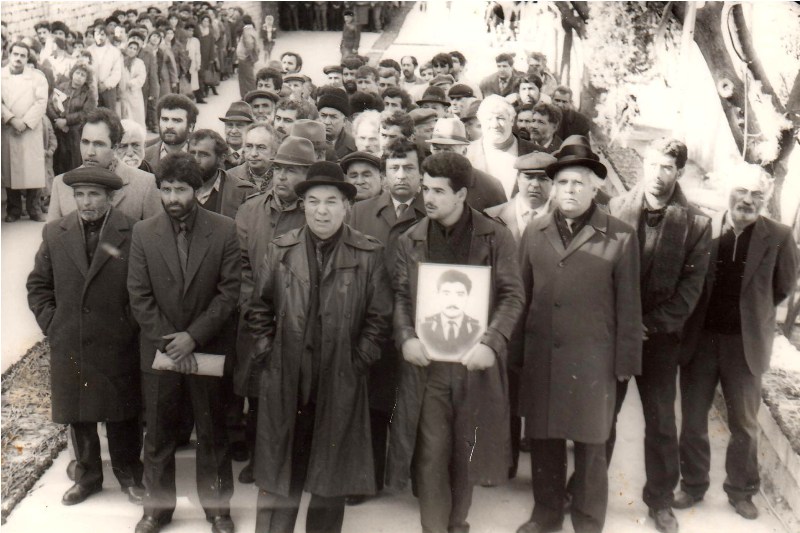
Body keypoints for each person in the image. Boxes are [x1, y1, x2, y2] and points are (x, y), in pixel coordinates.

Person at [247, 161, 392, 533]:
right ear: (303, 205)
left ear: (346, 206)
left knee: (330, 483)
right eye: (313, 201)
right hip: (287, 380)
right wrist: (269, 353)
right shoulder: (281, 249)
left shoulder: (368, 253)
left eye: (331, 201)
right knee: (279, 478)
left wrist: (358, 361)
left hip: (340, 380)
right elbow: (258, 308)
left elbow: (379, 319)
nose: (321, 211)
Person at [387, 151, 524, 533]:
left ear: (461, 194)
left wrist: (491, 343)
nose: (427, 197)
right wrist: (406, 338)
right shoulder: (411, 239)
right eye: (425, 188)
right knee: (431, 455)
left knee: (466, 453)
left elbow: (513, 295)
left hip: (474, 366)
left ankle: (456, 523)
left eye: (438, 191)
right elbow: (401, 297)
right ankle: (434, 529)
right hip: (428, 370)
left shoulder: (495, 236)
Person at [516, 136, 642, 533]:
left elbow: (629, 306)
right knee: (544, 439)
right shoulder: (534, 231)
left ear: (594, 188)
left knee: (591, 445)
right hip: (542, 356)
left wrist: (624, 364)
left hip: (593, 362)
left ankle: (588, 520)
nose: (569, 190)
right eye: (563, 182)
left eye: (578, 183)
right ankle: (546, 513)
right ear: (553, 187)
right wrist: (515, 358)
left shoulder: (620, 236)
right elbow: (519, 297)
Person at [599, 139, 712, 533]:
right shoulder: (614, 209)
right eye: (652, 165)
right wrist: (622, 323)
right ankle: (585, 488)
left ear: (679, 172)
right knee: (601, 415)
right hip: (615, 332)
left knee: (662, 422)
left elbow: (689, 293)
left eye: (667, 167)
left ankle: (661, 501)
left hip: (660, 340)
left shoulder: (697, 224)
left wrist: (647, 325)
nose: (657, 174)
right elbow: (600, 273)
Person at [676, 163, 798, 521]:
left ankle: (741, 491)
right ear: (727, 191)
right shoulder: (703, 227)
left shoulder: (779, 236)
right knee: (693, 420)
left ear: (766, 199)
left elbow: (783, 287)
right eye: (741, 191)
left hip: (744, 346)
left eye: (757, 194)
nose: (747, 199)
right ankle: (692, 485)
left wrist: (751, 316)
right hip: (700, 341)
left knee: (744, 424)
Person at [128, 152, 239, 533]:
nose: (173, 198)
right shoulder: (144, 233)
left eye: (181, 190)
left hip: (206, 348)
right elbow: (139, 295)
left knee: (212, 430)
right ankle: (156, 509)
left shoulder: (224, 230)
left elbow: (229, 291)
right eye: (166, 189)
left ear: (198, 190)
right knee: (158, 433)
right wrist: (170, 342)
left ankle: (218, 509)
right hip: (160, 352)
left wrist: (194, 337)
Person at [27, 167, 145, 507]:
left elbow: (143, 288)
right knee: (79, 413)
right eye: (79, 195)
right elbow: (38, 285)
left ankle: (129, 474)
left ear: (111, 198)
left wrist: (128, 325)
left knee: (122, 412)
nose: (86, 202)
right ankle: (88, 476)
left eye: (94, 194)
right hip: (71, 340)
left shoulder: (133, 231)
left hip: (117, 339)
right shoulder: (55, 232)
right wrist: (54, 324)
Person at [233, 136, 314, 485]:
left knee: (298, 394)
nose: (282, 177)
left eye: (292, 171)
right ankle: (258, 459)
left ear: (308, 176)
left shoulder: (313, 212)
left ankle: (296, 462)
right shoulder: (250, 210)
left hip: (300, 320)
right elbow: (240, 266)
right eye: (279, 168)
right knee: (258, 393)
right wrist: (254, 310)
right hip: (256, 320)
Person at [48, 108, 161, 222]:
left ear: (115, 147)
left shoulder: (145, 184)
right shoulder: (61, 185)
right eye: (85, 142)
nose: (90, 152)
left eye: (98, 144)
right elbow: (52, 232)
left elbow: (155, 232)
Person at [2, 42, 49, 222]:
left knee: (32, 169)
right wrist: (11, 119)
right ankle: (13, 210)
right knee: (10, 170)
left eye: (22, 55)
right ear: (9, 54)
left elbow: (41, 101)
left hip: (30, 129)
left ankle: (33, 209)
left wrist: (26, 122)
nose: (18, 58)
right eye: (15, 54)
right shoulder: (1, 76)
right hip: (9, 127)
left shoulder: (37, 77)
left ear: (27, 58)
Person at [426, 117, 507, 212]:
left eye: (448, 150)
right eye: (436, 149)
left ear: (464, 151)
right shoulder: (423, 183)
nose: (441, 155)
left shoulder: (490, 186)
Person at [466, 95, 539, 199]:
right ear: (481, 121)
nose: (495, 125)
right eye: (489, 119)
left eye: (500, 118)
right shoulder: (467, 153)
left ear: (512, 120)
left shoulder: (535, 153)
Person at [485, 151, 556, 241]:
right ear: (518, 178)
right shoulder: (492, 216)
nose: (535, 184)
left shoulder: (566, 217)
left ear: (552, 182)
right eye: (529, 177)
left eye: (543, 178)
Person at [188, 129, 255, 219]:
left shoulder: (244, 192)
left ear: (221, 158)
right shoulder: (175, 186)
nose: (196, 160)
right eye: (192, 153)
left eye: (203, 155)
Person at [419, 269, 484, 358]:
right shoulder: (423, 328)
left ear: (467, 297)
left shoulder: (478, 329)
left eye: (460, 294)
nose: (452, 301)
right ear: (438, 295)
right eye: (446, 293)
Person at [48, 62, 96, 176]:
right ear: (72, 73)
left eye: (83, 75)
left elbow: (86, 113)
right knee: (58, 160)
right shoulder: (61, 87)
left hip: (76, 131)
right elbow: (50, 104)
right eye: (77, 73)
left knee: (73, 161)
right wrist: (58, 121)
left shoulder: (88, 93)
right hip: (58, 129)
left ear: (86, 79)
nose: (79, 77)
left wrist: (67, 121)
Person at [145, 94, 198, 170]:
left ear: (191, 127)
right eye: (165, 119)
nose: (169, 126)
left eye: (177, 121)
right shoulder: (144, 155)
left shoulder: (200, 156)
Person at [227, 123, 280, 193]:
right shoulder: (229, 177)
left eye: (261, 147)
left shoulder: (282, 178)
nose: (253, 154)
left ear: (274, 152)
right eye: (249, 146)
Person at [88, 25, 122, 110]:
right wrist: (93, 84)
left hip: (108, 89)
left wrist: (106, 85)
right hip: (92, 87)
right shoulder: (89, 51)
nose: (100, 37)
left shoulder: (114, 51)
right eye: (97, 34)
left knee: (109, 113)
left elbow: (117, 72)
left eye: (102, 34)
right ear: (94, 36)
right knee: (93, 112)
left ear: (106, 36)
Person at [317, 88, 355, 158]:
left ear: (344, 121)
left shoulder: (354, 147)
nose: (327, 122)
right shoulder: (308, 142)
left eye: (333, 117)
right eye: (323, 116)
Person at [218, 101, 255, 169]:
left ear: (250, 128)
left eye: (239, 125)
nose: (234, 131)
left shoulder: (255, 155)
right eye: (230, 125)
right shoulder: (217, 154)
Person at [119, 39, 147, 127]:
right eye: (130, 47)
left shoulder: (139, 63)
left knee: (135, 116)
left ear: (137, 52)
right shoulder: (120, 61)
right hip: (122, 91)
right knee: (124, 114)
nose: (132, 50)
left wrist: (131, 83)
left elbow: (141, 77)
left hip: (134, 92)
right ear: (127, 48)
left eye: (135, 49)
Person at [236, 15, 261, 98]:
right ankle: (249, 95)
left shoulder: (246, 31)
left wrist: (246, 55)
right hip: (248, 57)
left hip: (245, 58)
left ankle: (249, 96)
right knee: (248, 77)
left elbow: (249, 45)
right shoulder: (252, 30)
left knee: (245, 78)